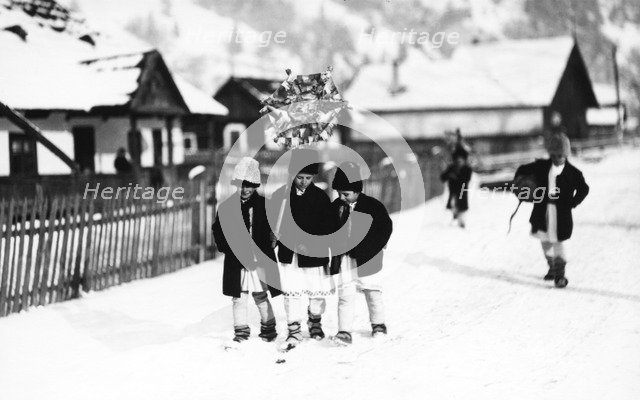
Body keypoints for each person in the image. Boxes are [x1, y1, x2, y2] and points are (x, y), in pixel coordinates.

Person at [270, 148, 337, 350]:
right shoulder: (281, 196)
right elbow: (273, 222)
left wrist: (310, 242)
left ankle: (315, 321)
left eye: (308, 178)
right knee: (292, 292)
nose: (303, 182)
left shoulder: (321, 198)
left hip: (314, 255)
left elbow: (329, 227)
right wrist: (275, 235)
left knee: (316, 292)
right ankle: (294, 329)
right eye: (300, 177)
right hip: (290, 255)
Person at [212, 157, 281, 344]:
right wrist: (227, 248)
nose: (245, 189)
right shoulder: (227, 207)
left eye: (250, 185)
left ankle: (269, 327)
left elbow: (274, 228)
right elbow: (218, 231)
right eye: (242, 185)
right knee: (238, 296)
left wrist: (272, 241)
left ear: (256, 185)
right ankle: (241, 331)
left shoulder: (265, 205)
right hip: (237, 260)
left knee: (260, 294)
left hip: (259, 259)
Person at [329, 162, 393, 345]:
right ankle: (344, 331)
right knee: (345, 295)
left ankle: (378, 324)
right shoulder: (336, 207)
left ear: (357, 190)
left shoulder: (373, 207)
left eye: (346, 194)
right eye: (339, 193)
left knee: (372, 292)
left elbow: (385, 228)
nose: (341, 197)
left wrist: (376, 245)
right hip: (345, 260)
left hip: (368, 258)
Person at [514, 132, 589, 288]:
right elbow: (522, 169)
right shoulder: (541, 166)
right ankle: (552, 267)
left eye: (560, 155)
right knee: (544, 240)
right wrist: (521, 183)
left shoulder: (574, 173)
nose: (556, 159)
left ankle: (560, 274)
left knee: (558, 241)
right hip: (542, 212)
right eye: (553, 155)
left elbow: (584, 189)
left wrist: (572, 203)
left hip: (561, 214)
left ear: (566, 154)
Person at [440, 147, 472, 228]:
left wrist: (455, 176)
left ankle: (461, 224)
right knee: (453, 208)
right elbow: (443, 178)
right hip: (453, 193)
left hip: (462, 192)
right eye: (457, 159)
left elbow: (466, 179)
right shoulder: (451, 168)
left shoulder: (467, 169)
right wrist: (448, 174)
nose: (459, 161)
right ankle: (454, 220)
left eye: (461, 159)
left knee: (462, 210)